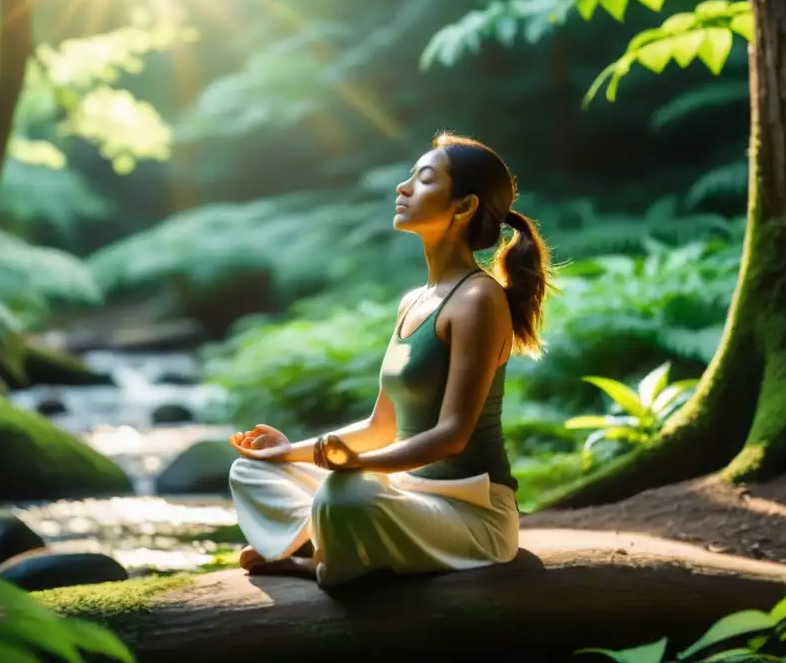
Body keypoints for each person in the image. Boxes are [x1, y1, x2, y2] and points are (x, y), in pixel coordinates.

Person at [227, 133, 553, 588]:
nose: (402, 188)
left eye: (422, 180)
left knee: (346, 494)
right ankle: (327, 547)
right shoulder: (413, 301)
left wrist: (353, 465)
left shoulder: (478, 298)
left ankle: (318, 559)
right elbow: (381, 427)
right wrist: (290, 451)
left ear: (463, 207)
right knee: (252, 469)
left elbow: (452, 436)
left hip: (471, 513)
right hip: (407, 495)